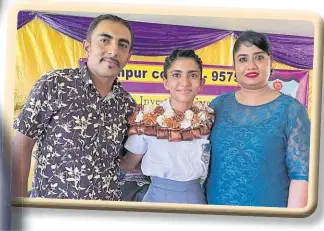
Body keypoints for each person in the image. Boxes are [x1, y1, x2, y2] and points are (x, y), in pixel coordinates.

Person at [11, 14, 147, 201]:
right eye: (105, 40)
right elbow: (21, 146)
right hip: (52, 211)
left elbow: (125, 163)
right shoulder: (55, 84)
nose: (114, 50)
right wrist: (18, 204)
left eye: (122, 45)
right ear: (87, 46)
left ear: (128, 57)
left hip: (106, 213)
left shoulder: (127, 105)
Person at [205, 30, 310, 208]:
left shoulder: (291, 110)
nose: (251, 65)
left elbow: (301, 175)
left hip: (268, 216)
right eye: (243, 59)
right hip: (216, 212)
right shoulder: (218, 105)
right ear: (234, 67)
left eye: (259, 57)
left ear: (271, 62)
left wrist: (293, 222)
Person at [120, 49, 215, 204]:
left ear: (201, 83)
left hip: (196, 199)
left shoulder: (208, 119)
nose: (185, 82)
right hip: (157, 200)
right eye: (176, 75)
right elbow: (128, 164)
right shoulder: (147, 119)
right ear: (166, 81)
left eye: (192, 75)